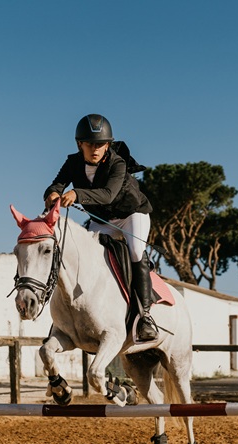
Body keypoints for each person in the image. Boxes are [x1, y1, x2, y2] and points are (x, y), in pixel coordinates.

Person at [43, 113, 158, 342]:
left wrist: (76, 194)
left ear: (108, 144)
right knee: (90, 255)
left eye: (101, 144)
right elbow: (57, 183)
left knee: (135, 251)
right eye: (90, 144)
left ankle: (145, 317)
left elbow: (107, 195)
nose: (95, 149)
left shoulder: (118, 162)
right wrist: (52, 193)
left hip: (131, 214)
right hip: (103, 219)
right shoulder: (72, 162)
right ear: (80, 144)